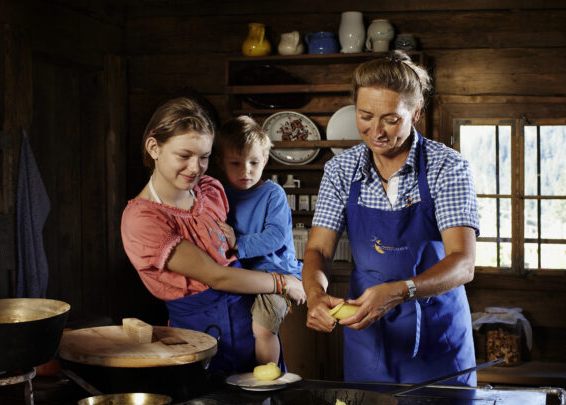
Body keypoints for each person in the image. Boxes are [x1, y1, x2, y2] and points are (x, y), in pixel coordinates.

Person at [302, 51, 480, 385]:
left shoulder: (447, 167)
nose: (376, 131)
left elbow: (463, 262)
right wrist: (314, 294)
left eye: (391, 119)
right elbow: (319, 251)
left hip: (437, 337)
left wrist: (402, 290)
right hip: (368, 336)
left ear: (415, 113)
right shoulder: (341, 170)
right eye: (365, 115)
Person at [121, 96, 305, 374]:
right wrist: (283, 281)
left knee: (265, 399)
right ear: (153, 147)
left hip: (250, 329)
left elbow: (235, 251)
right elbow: (217, 275)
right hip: (198, 338)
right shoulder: (142, 219)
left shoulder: (209, 189)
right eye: (184, 155)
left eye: (204, 157)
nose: (196, 168)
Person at [214, 116, 303, 365]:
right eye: (236, 163)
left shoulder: (273, 193)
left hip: (277, 274)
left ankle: (267, 377)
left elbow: (275, 237)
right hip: (243, 275)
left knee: (263, 329)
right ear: (220, 162)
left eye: (254, 162)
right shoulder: (220, 193)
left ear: (265, 160)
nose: (246, 171)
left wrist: (237, 243)